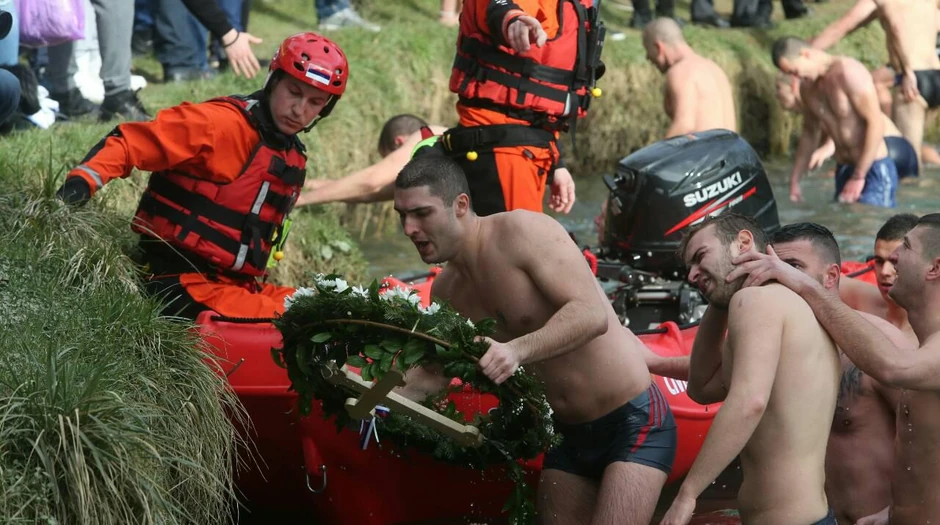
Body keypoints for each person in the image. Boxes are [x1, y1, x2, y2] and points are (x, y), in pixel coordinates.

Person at [393, 154, 676, 524]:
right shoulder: (447, 289)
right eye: (402, 215)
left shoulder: (523, 232)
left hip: (633, 419)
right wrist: (373, 398)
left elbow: (592, 314)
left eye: (421, 213)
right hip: (567, 436)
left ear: (460, 205)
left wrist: (516, 350)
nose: (409, 228)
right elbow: (435, 373)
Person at [54, 33, 348, 320]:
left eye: (315, 102)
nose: (299, 110)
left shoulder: (292, 153)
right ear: (273, 82)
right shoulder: (219, 123)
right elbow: (129, 142)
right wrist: (81, 182)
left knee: (329, 311)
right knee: (301, 322)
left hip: (235, 287)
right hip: (176, 282)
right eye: (294, 93)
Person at [726, 214, 940, 524]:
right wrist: (892, 512)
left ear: (934, 268)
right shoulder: (926, 349)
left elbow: (893, 366)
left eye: (905, 246)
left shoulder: (912, 358)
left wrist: (805, 286)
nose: (892, 256)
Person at [660, 213, 840, 525]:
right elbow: (701, 388)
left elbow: (748, 402)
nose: (691, 275)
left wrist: (687, 495)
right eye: (688, 267)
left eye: (701, 257)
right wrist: (718, 303)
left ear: (743, 243)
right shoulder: (791, 306)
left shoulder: (755, 302)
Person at [768, 223, 908, 524]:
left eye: (791, 268)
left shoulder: (887, 344)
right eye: (879, 261)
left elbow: (927, 440)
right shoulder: (779, 337)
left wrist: (896, 511)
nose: (885, 272)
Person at [432, 0, 607, 217]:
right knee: (518, 248)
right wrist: (512, 20)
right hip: (500, 148)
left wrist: (556, 162)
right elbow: (498, 7)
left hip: (533, 146)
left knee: (528, 244)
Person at [809, 0, 940, 172]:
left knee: (909, 164)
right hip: (935, 74)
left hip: (913, 82)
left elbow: (841, 27)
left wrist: (807, 51)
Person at [772, 37, 898, 208]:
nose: (796, 77)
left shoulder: (849, 73)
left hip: (872, 166)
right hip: (844, 168)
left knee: (869, 225)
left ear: (805, 54)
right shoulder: (808, 88)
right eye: (791, 74)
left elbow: (875, 123)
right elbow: (809, 133)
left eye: (794, 71)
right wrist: (795, 178)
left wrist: (859, 175)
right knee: (844, 228)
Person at [774, 72, 920, 184]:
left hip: (883, 147)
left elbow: (844, 126)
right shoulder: (815, 108)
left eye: (778, 88)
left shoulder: (818, 100)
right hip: (902, 149)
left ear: (793, 86)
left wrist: (827, 149)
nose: (776, 95)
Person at [296, 114, 449, 205]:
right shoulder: (431, 169)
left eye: (388, 158)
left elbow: (373, 181)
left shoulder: (429, 136)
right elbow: (366, 193)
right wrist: (310, 185)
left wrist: (301, 200)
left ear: (399, 142)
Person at [642, 18, 737, 140]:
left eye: (647, 50)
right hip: (731, 154)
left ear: (658, 47)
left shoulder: (680, 72)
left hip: (705, 156)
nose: (647, 57)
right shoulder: (715, 69)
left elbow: (684, 126)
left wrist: (652, 157)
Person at [838, 213, 919, 338]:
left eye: (895, 262)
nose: (884, 271)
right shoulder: (863, 298)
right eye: (879, 261)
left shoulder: (929, 334)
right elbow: (816, 281)